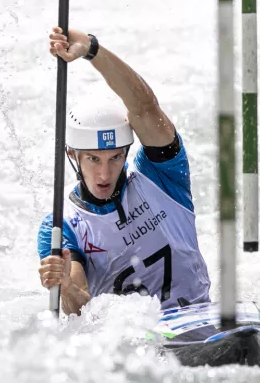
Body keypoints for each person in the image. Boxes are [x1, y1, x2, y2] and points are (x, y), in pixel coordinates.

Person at [37, 26, 211, 315]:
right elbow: (80, 307)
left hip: (198, 319)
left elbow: (144, 108)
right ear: (72, 155)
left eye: (115, 158)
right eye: (93, 160)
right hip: (132, 345)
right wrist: (65, 286)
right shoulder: (62, 224)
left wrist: (93, 50)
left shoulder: (160, 176)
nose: (105, 175)